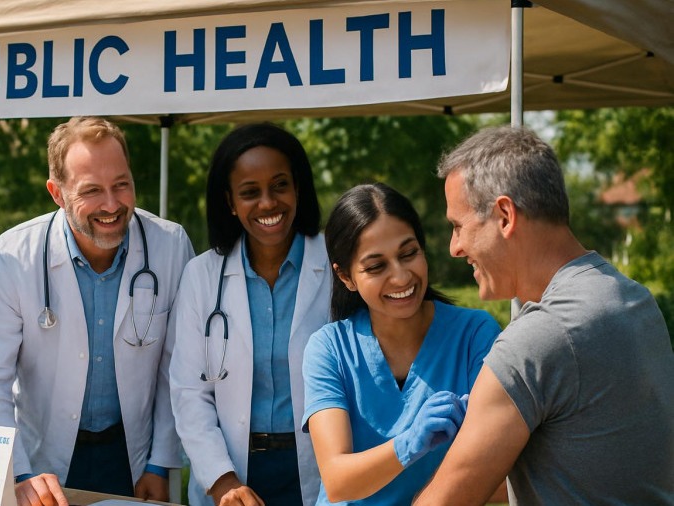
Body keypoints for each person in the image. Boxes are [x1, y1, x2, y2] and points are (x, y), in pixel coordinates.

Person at [414, 126, 674, 505]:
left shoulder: (538, 338)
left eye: (458, 226)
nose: (455, 247)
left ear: (505, 215)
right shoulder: (634, 299)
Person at [0, 116, 194, 506]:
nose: (112, 204)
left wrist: (160, 462)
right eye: (92, 191)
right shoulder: (13, 256)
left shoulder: (170, 246)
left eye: (122, 184)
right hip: (39, 461)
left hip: (135, 458)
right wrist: (19, 472)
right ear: (57, 192)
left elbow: (178, 370)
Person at [301, 183, 501, 505]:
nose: (401, 277)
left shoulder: (475, 334)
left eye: (408, 254)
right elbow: (338, 481)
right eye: (376, 266)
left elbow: (502, 469)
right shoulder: (328, 348)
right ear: (345, 277)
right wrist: (409, 443)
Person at [170, 123, 329, 506]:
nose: (268, 203)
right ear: (230, 202)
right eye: (249, 192)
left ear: (298, 187)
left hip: (318, 466)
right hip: (232, 472)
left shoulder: (337, 263)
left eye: (280, 185)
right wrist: (223, 481)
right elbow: (190, 393)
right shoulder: (202, 276)